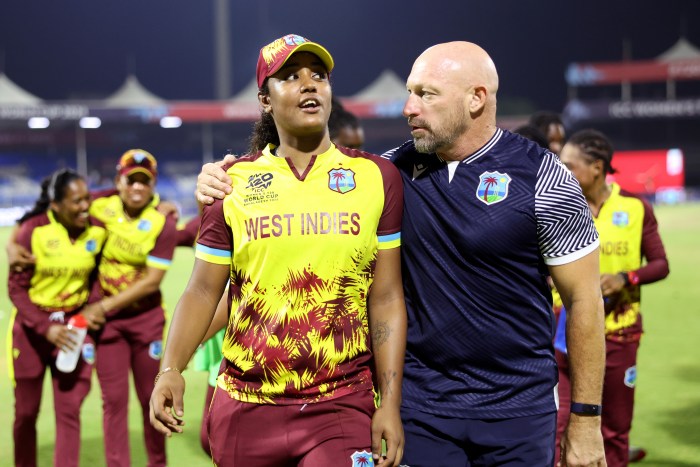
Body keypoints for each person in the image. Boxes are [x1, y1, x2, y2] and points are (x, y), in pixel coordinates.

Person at [195, 41, 607, 466]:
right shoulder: (386, 176)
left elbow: (585, 302)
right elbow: (286, 260)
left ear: (475, 99)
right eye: (410, 92)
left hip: (519, 410)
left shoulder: (544, 176)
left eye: (426, 94)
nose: (409, 107)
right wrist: (219, 181)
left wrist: (586, 420)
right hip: (420, 410)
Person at [149, 34, 407, 467]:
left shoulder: (376, 177)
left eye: (318, 76)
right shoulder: (230, 183)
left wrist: (391, 403)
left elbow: (385, 298)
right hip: (245, 407)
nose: (309, 85)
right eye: (289, 77)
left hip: (342, 402)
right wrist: (171, 367)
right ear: (264, 99)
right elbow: (201, 291)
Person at [557, 129, 670, 466]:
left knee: (615, 431)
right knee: (558, 427)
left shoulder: (635, 208)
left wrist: (625, 278)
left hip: (619, 334)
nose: (563, 173)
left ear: (596, 167)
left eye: (570, 166)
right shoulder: (558, 205)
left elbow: (661, 264)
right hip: (564, 335)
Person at [79, 149, 178, 467]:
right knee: (114, 402)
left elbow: (151, 281)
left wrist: (102, 306)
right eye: (130, 180)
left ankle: (157, 463)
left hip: (145, 322)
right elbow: (69, 201)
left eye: (144, 182)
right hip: (109, 328)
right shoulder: (98, 207)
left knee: (152, 398)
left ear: (153, 186)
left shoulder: (161, 221)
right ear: (118, 182)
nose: (137, 188)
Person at [7, 169, 107, 467]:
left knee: (69, 410)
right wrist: (44, 327)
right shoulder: (33, 231)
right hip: (32, 332)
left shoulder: (98, 231)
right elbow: (16, 289)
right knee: (26, 413)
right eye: (76, 201)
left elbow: (98, 278)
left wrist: (93, 306)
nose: (84, 207)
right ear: (56, 205)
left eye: (87, 199)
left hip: (74, 330)